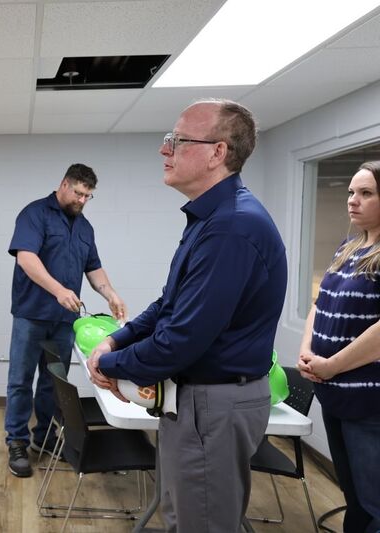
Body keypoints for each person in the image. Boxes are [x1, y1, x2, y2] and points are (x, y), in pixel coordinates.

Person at [86, 99, 288, 531]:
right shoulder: (210, 218)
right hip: (198, 402)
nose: (165, 149)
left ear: (218, 152)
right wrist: (115, 340)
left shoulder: (231, 227)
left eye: (177, 140)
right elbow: (169, 304)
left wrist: (109, 364)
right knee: (182, 516)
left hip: (214, 404)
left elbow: (181, 339)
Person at [5, 163, 127, 478]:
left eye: (88, 196)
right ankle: (17, 442)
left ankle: (44, 438)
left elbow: (94, 267)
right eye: (78, 193)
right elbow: (26, 258)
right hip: (31, 314)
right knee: (20, 380)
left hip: (64, 320)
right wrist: (58, 290)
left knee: (54, 383)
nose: (82, 200)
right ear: (64, 184)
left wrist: (110, 293)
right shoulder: (34, 214)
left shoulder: (85, 228)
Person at [298, 161, 380, 533]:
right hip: (334, 394)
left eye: (366, 193)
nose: (352, 200)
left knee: (374, 501)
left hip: (368, 402)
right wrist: (307, 352)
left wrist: (331, 365)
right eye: (351, 192)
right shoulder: (349, 247)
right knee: (354, 495)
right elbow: (320, 303)